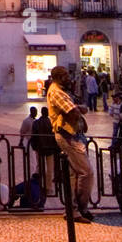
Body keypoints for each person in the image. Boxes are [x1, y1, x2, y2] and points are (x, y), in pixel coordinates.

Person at [45, 66, 95, 222]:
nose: (70, 78)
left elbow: (79, 109)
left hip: (73, 135)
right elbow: (73, 112)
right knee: (86, 172)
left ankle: (73, 210)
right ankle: (81, 207)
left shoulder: (63, 91)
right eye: (66, 75)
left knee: (74, 174)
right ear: (59, 77)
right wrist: (78, 109)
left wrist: (77, 108)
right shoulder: (56, 92)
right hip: (68, 136)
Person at [30, 105, 57, 192]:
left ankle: (41, 185)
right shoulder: (52, 123)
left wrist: (34, 147)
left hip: (40, 148)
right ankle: (49, 187)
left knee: (41, 167)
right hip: (50, 149)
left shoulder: (36, 123)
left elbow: (34, 136)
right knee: (50, 169)